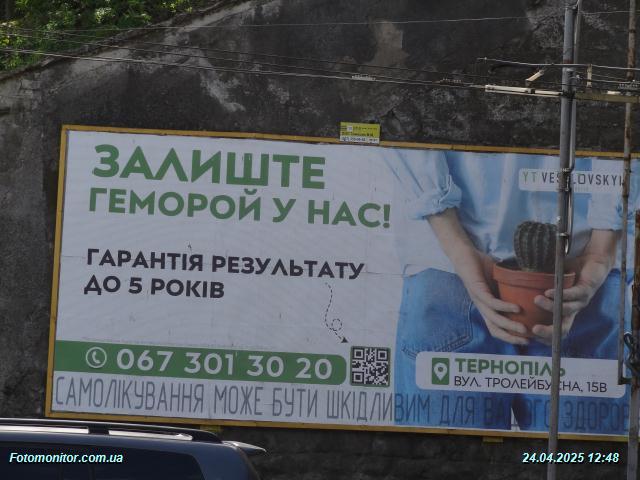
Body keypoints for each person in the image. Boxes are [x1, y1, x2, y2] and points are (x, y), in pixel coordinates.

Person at [386, 148, 627, 433]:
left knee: (448, 455)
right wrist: (601, 248)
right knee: (578, 456)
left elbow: (402, 125)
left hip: (451, 257)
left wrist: (454, 243)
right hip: (581, 257)